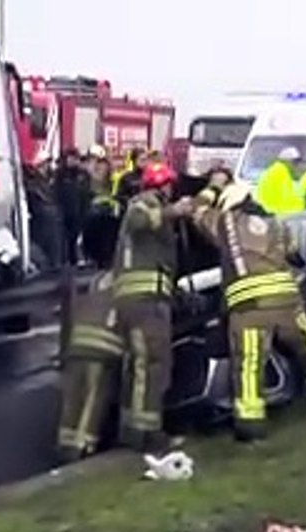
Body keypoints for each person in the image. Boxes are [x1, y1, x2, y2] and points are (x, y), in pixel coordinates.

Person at [192, 177, 306, 441]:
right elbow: (293, 251)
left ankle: (251, 425)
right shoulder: (275, 224)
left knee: (250, 363)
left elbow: (197, 211)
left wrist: (211, 188)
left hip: (251, 306)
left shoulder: (226, 221)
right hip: (287, 299)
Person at [112, 161, 193, 452]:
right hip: (145, 300)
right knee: (153, 363)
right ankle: (148, 434)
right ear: (163, 185)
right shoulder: (144, 202)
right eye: (170, 185)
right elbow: (138, 220)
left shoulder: (153, 205)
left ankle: (132, 429)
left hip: (141, 298)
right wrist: (176, 211)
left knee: (138, 364)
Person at [56, 270, 125, 462]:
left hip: (78, 344)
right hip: (102, 349)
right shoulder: (128, 287)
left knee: (73, 395)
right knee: (95, 396)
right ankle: (83, 445)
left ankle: (65, 442)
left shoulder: (97, 280)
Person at [82, 145, 121, 268]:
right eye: (92, 161)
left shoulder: (114, 181)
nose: (97, 166)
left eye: (100, 162)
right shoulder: (83, 181)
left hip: (109, 222)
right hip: (91, 223)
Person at [53, 149, 91, 265]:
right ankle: (66, 261)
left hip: (80, 211)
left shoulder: (83, 175)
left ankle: (80, 258)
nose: (72, 161)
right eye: (70, 158)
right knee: (66, 239)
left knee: (78, 237)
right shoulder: (60, 174)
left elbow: (87, 193)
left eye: (75, 158)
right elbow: (56, 193)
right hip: (65, 212)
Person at [255, 146, 306, 216]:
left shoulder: (273, 170)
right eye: (295, 162)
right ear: (286, 161)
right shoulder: (282, 173)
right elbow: (287, 199)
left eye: (297, 163)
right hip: (276, 213)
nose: (297, 166)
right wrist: (304, 204)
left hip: (269, 212)